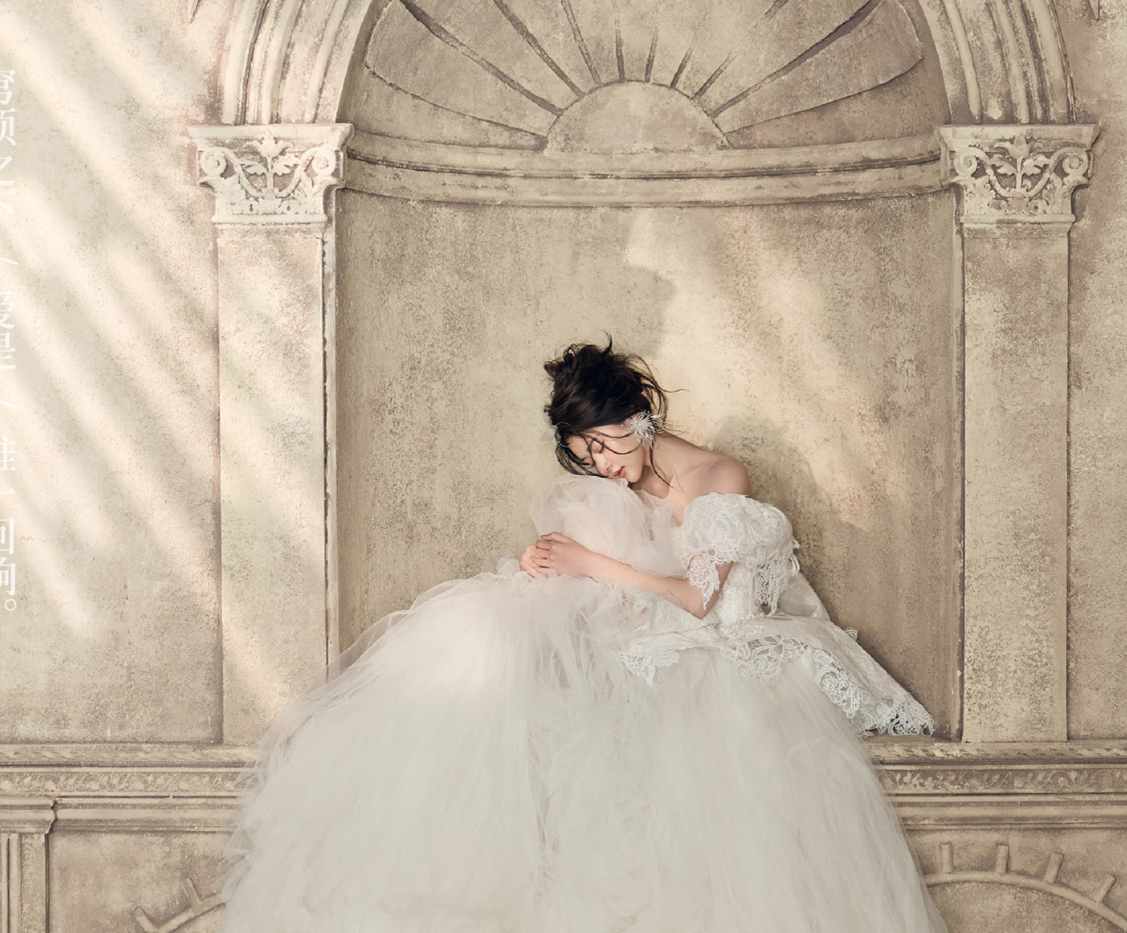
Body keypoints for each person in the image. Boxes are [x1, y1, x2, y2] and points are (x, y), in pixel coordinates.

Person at [214, 341, 949, 933]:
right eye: (587, 454)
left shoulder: (720, 474)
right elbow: (628, 591)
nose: (602, 462)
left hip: (727, 651)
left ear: (639, 415)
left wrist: (592, 563)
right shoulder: (625, 493)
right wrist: (545, 564)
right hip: (658, 645)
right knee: (486, 626)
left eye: (603, 443)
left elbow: (697, 600)